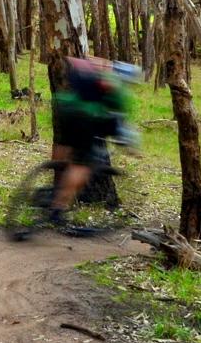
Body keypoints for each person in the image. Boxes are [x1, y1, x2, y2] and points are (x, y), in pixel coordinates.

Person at [47, 57, 138, 225]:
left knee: (65, 152)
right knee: (82, 166)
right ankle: (58, 208)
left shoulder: (98, 71)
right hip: (85, 120)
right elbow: (121, 125)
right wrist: (131, 145)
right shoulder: (119, 91)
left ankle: (51, 184)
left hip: (66, 109)